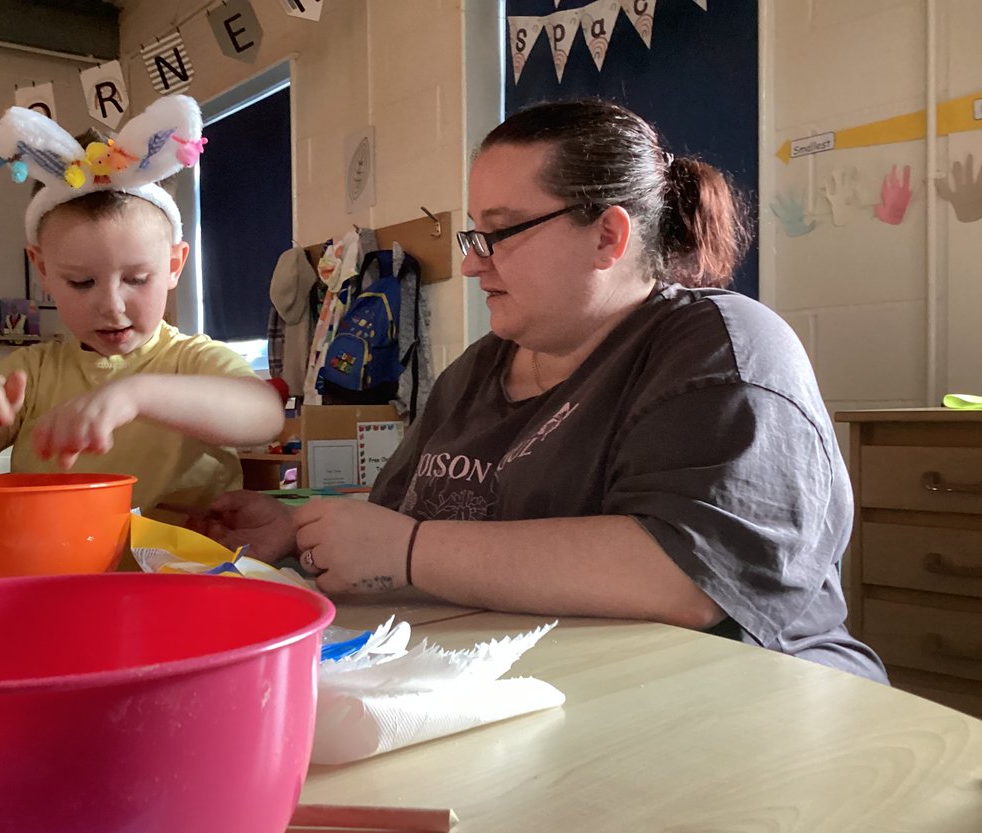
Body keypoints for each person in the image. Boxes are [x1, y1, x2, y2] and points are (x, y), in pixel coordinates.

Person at [191, 98, 886, 684]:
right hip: (550, 694)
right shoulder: (475, 372)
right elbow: (408, 516)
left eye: (498, 233)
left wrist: (407, 553)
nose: (468, 262)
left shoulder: (722, 348)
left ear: (607, 237)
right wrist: (294, 533)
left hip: (744, 704)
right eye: (473, 233)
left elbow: (684, 576)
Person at [0, 96, 283, 514]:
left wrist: (138, 394)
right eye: (82, 282)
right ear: (43, 271)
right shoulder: (33, 374)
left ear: (175, 265)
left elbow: (265, 417)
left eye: (137, 279)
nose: (111, 305)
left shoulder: (191, 360)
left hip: (179, 574)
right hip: (61, 573)